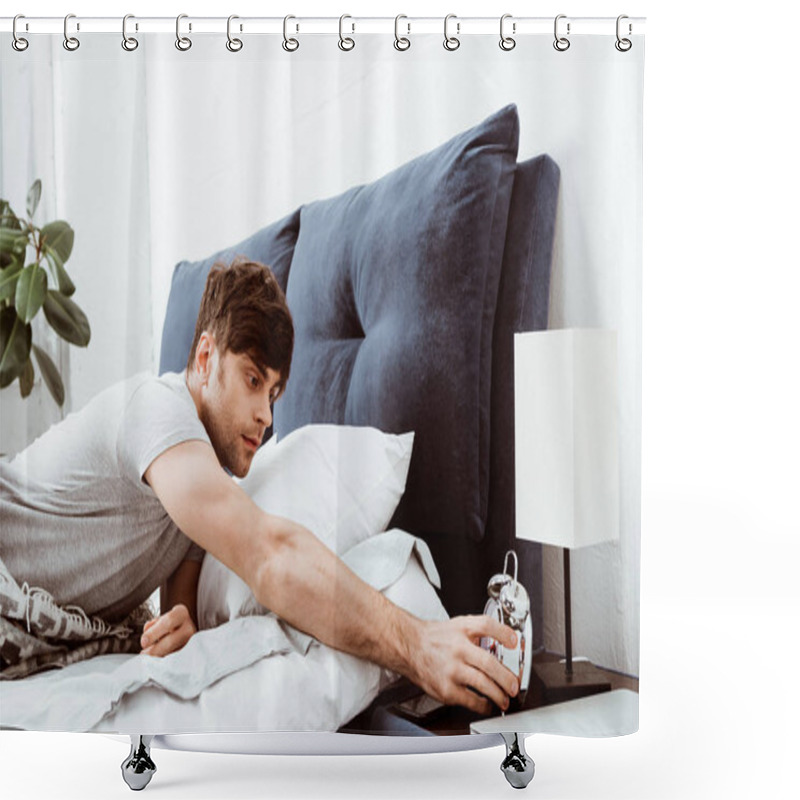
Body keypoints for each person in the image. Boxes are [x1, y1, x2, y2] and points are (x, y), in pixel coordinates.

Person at [0, 258, 519, 715]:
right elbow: (270, 554)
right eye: (252, 380)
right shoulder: (157, 412)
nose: (266, 416)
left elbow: (182, 611)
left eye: (274, 393)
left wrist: (180, 627)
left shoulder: (201, 479)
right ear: (205, 358)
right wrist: (420, 643)